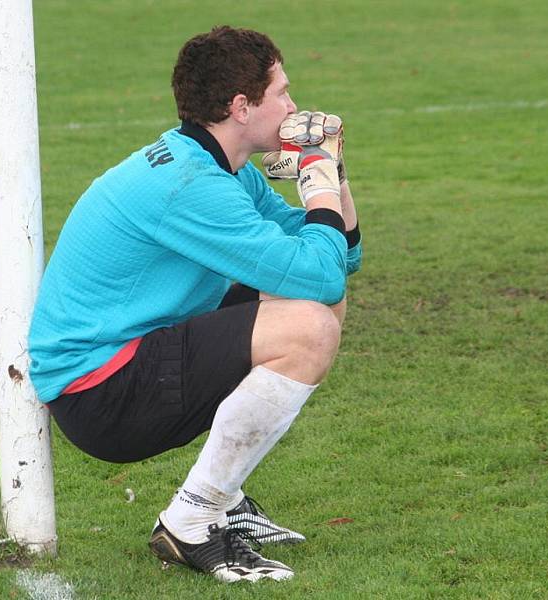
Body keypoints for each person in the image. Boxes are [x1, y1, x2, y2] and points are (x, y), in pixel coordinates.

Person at [28, 25, 362, 583]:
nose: (294, 106)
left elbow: (339, 261)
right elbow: (321, 273)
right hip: (100, 391)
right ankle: (193, 517)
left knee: (318, 308)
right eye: (281, 92)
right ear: (240, 106)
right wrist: (316, 179)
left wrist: (333, 172)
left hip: (130, 355)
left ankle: (221, 500)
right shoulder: (191, 184)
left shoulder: (220, 167)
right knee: (308, 326)